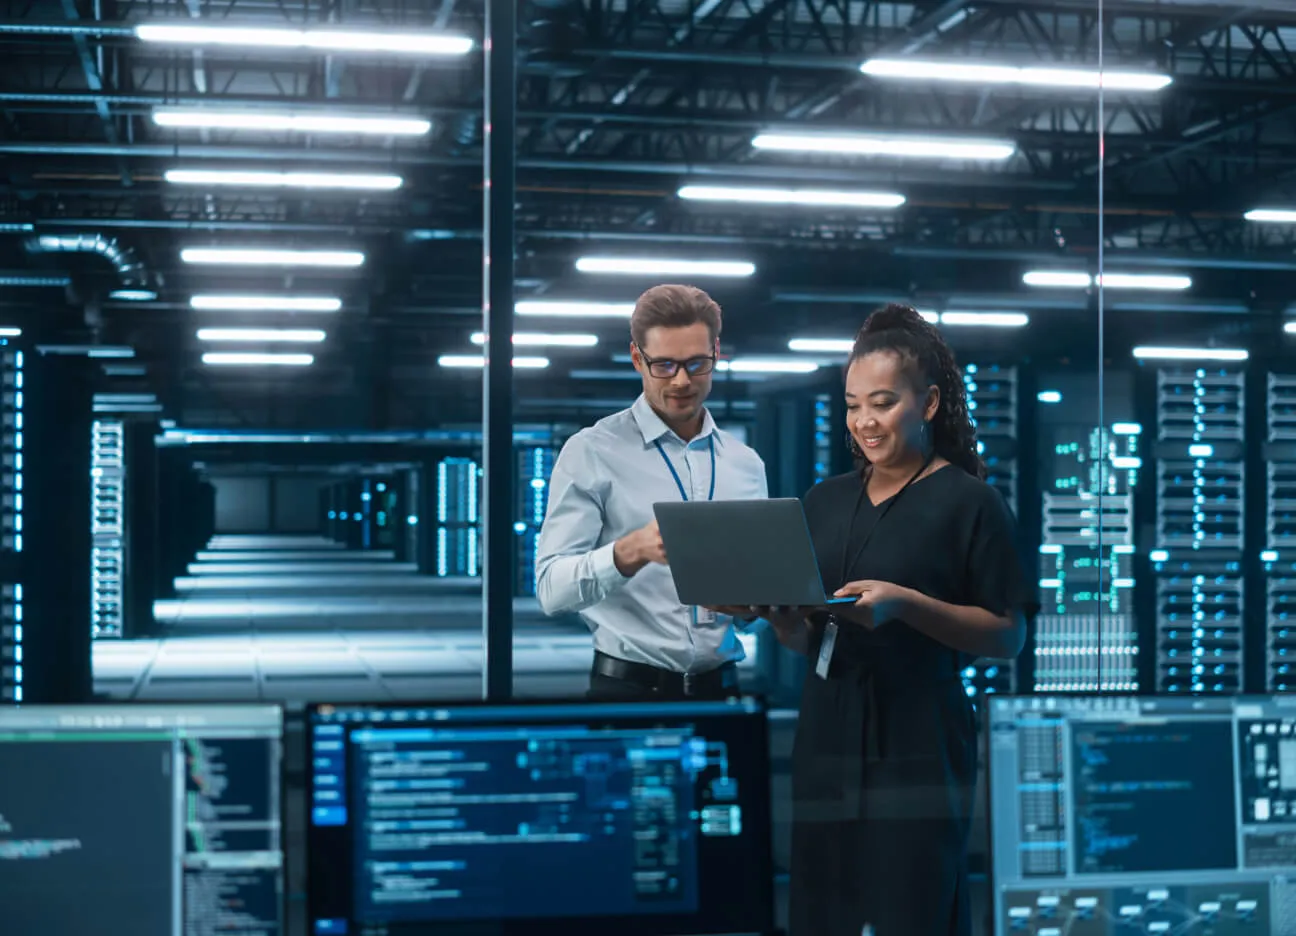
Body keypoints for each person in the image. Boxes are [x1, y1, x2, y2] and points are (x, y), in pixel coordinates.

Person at [753, 304, 1036, 936]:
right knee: (820, 908)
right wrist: (781, 621)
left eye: (882, 404)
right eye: (853, 406)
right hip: (826, 726)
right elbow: (810, 639)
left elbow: (1009, 635)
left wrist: (906, 604)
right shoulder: (823, 500)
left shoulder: (972, 503)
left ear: (928, 403)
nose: (865, 422)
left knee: (914, 907)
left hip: (919, 733)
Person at [534, 284, 768, 701]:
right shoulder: (592, 451)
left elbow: (755, 606)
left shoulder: (745, 463)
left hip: (723, 692)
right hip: (628, 693)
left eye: (696, 364)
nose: (682, 381)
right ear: (636, 358)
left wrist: (756, 607)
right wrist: (629, 552)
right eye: (664, 365)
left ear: (716, 352)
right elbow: (551, 590)